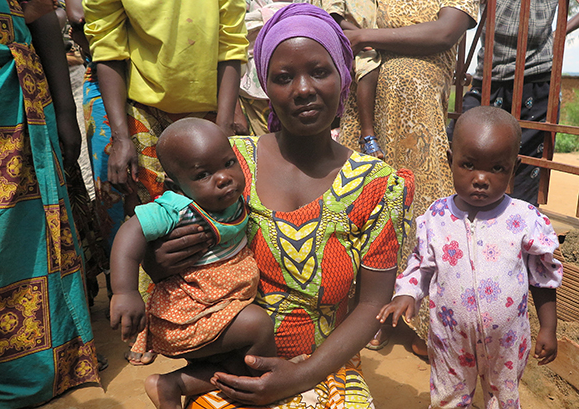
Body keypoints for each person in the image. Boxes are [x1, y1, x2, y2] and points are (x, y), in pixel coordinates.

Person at [142, 4, 414, 408]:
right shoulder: (226, 165)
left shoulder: (376, 185)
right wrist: (158, 259)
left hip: (326, 365)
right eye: (284, 77)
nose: (302, 88)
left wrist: (303, 375)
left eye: (319, 71)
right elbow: (162, 240)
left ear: (343, 74)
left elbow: (373, 303)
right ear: (266, 86)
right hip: (229, 369)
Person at [83, 0, 249, 365]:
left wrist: (223, 126)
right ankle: (150, 325)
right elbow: (108, 46)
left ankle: (209, 308)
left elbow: (231, 44)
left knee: (220, 212)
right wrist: (121, 137)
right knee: (150, 221)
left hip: (210, 111)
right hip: (141, 107)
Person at [378, 106, 562, 408]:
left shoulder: (524, 219)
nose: (480, 178)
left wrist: (548, 328)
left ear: (513, 168)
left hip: (507, 341)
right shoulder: (436, 216)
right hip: (450, 337)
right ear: (451, 161)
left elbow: (542, 279)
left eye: (497, 168)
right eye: (469, 165)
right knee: (449, 397)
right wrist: (407, 295)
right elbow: (420, 265)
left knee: (504, 398)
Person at [333, 0, 478, 353]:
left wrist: (368, 36)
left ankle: (431, 319)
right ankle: (367, 311)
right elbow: (347, 22)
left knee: (420, 201)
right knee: (368, 200)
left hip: (416, 96)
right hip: (369, 96)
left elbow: (445, 32)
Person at [0, 2, 100, 408]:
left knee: (19, 238)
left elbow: (41, 15)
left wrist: (66, 109)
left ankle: (40, 364)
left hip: (11, 99)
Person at [110, 118, 275, 408]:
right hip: (191, 315)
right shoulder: (178, 208)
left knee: (240, 361)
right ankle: (271, 384)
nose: (223, 178)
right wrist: (125, 292)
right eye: (203, 175)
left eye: (228, 163)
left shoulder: (232, 199)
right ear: (177, 186)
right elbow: (130, 232)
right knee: (259, 327)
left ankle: (172, 385)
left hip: (219, 308)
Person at [446, 0, 579, 207]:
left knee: (525, 166)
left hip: (537, 79)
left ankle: (517, 229)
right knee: (460, 144)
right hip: (489, 75)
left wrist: (559, 33)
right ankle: (456, 222)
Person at [313, 0, 386, 157]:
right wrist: (365, 36)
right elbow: (334, 19)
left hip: (376, 41)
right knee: (368, 69)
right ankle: (367, 134)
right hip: (352, 41)